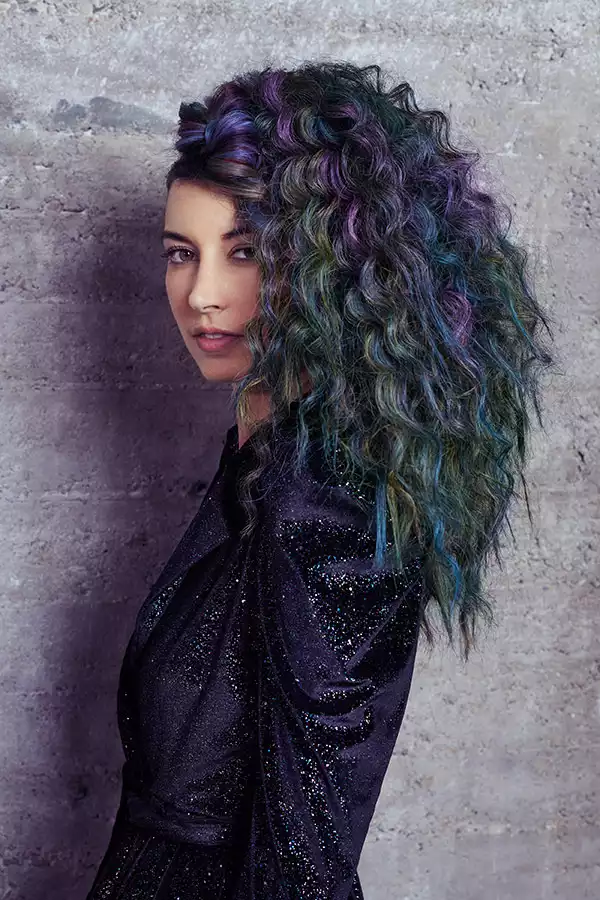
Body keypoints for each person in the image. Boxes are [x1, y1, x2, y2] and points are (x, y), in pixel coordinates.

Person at [85, 61, 557, 899]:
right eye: (181, 254)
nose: (201, 295)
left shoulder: (326, 494)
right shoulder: (263, 446)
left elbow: (306, 853)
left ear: (331, 266)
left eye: (245, 252)